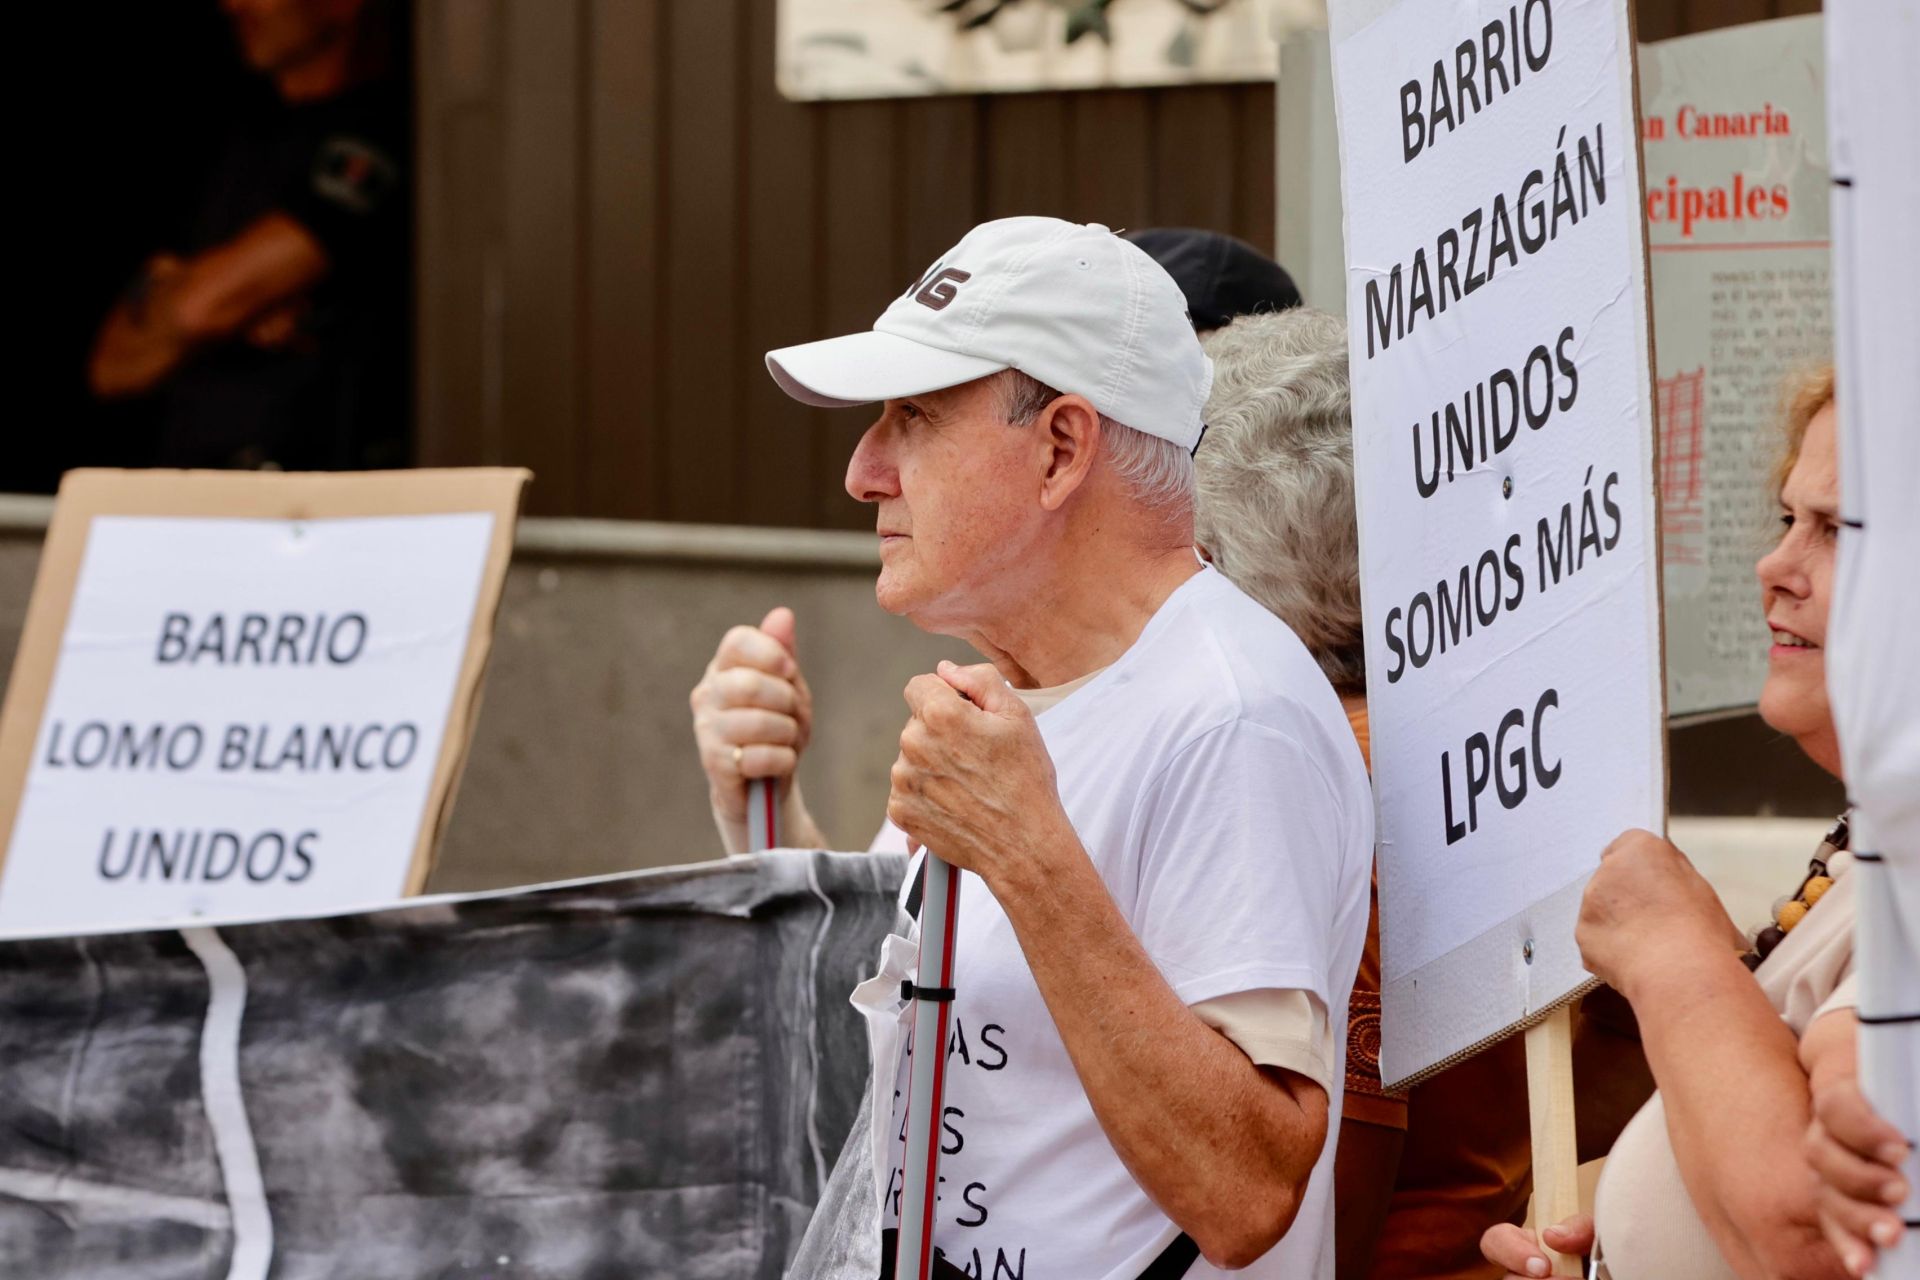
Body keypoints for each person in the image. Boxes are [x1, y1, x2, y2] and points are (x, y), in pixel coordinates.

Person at [689, 216, 1374, 1276]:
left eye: (913, 417)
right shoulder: (1016, 687)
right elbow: (913, 1026)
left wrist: (1027, 851)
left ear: (1061, 448)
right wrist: (764, 815)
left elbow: (1248, 1189)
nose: (864, 471)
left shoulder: (1235, 712)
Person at [1194, 310, 1652, 1280]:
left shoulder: (1316, 771)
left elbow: (1320, 1206)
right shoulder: (1524, 732)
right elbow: (1622, 1058)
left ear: (1227, 554)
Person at [1482, 367, 1870, 1280]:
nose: (1776, 566)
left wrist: (1672, 952)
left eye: (1836, 530)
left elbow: (1814, 1240)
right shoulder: (1875, 844)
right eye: (1787, 520)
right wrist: (1613, 1229)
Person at [88, 0, 407, 471]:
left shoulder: (377, 133)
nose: (234, 4)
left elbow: (199, 309)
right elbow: (110, 368)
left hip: (308, 502)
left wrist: (193, 304)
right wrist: (228, 309)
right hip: (191, 496)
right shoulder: (241, 141)